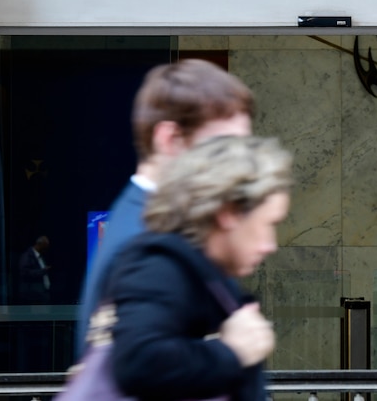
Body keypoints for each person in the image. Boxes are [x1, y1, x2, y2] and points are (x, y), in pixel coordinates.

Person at [76, 59, 254, 355]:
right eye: (223, 148)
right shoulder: (143, 244)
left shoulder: (154, 225)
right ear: (170, 140)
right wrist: (233, 352)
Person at [104, 135, 291, 400]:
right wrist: (232, 352)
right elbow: (138, 361)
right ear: (229, 213)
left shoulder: (208, 274)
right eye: (269, 224)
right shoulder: (159, 268)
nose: (270, 245)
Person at [18, 235, 51, 304]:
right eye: (45, 246)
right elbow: (25, 272)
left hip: (43, 292)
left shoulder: (41, 256)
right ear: (39, 244)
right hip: (33, 295)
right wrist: (42, 271)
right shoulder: (27, 256)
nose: (46, 248)